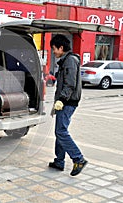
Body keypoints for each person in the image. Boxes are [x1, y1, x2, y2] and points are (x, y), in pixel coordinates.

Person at [49, 34, 88, 176]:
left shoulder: (70, 61)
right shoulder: (66, 60)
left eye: (54, 49)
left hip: (67, 102)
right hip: (64, 102)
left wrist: (62, 100)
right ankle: (59, 161)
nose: (53, 52)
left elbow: (70, 84)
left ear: (61, 47)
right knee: (60, 130)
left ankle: (78, 158)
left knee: (61, 132)